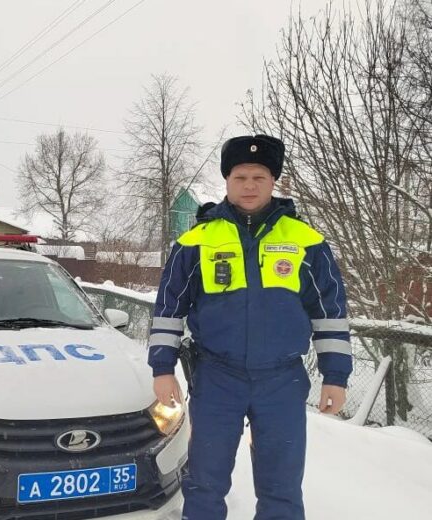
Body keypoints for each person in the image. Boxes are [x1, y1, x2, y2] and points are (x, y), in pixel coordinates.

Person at [148, 135, 352, 519]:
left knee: (282, 487)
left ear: (273, 180)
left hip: (282, 381)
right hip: (216, 378)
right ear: (227, 180)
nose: (249, 186)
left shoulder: (306, 242)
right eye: (240, 177)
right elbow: (168, 310)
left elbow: (330, 313)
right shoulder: (196, 242)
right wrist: (162, 368)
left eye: (259, 177)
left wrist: (335, 377)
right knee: (205, 483)